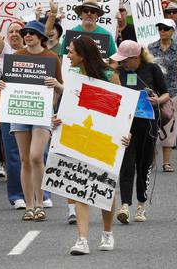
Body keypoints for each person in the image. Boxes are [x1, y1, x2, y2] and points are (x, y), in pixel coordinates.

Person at [58, 36, 129, 255]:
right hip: (80, 137)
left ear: (82, 54)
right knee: (80, 187)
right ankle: (82, 239)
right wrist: (58, 120)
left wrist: (126, 133)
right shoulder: (73, 75)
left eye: (71, 52)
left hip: (105, 138)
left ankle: (107, 233)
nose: (67, 55)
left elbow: (123, 108)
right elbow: (70, 106)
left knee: (105, 188)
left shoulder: (110, 75)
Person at [2, 21, 62, 221]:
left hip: (42, 113)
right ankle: (29, 206)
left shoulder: (52, 58)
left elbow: (60, 89)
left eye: (31, 33)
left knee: (36, 156)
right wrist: (3, 85)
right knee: (25, 159)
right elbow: (7, 84)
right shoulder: (16, 57)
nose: (27, 36)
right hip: (20, 112)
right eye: (25, 32)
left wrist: (55, 93)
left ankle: (39, 202)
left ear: (41, 37)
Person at [111, 40, 169, 224]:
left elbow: (165, 93)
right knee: (126, 165)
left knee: (144, 166)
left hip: (148, 125)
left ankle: (141, 206)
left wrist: (157, 100)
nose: (122, 64)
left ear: (136, 58)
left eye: (125, 60)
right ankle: (125, 205)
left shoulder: (152, 69)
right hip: (126, 126)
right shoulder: (118, 72)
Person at [0, 3, 27, 209]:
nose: (14, 34)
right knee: (12, 154)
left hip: (31, 108)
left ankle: (39, 193)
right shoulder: (5, 52)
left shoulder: (34, 52)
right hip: (10, 109)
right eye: (10, 31)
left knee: (35, 154)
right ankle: (17, 196)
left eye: (18, 31)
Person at [148, 20, 177, 173]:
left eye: (165, 28)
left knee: (170, 127)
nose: (162, 31)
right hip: (154, 93)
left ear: (172, 31)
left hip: (172, 93)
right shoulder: (151, 47)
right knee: (151, 126)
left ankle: (166, 162)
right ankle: (151, 160)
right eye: (160, 28)